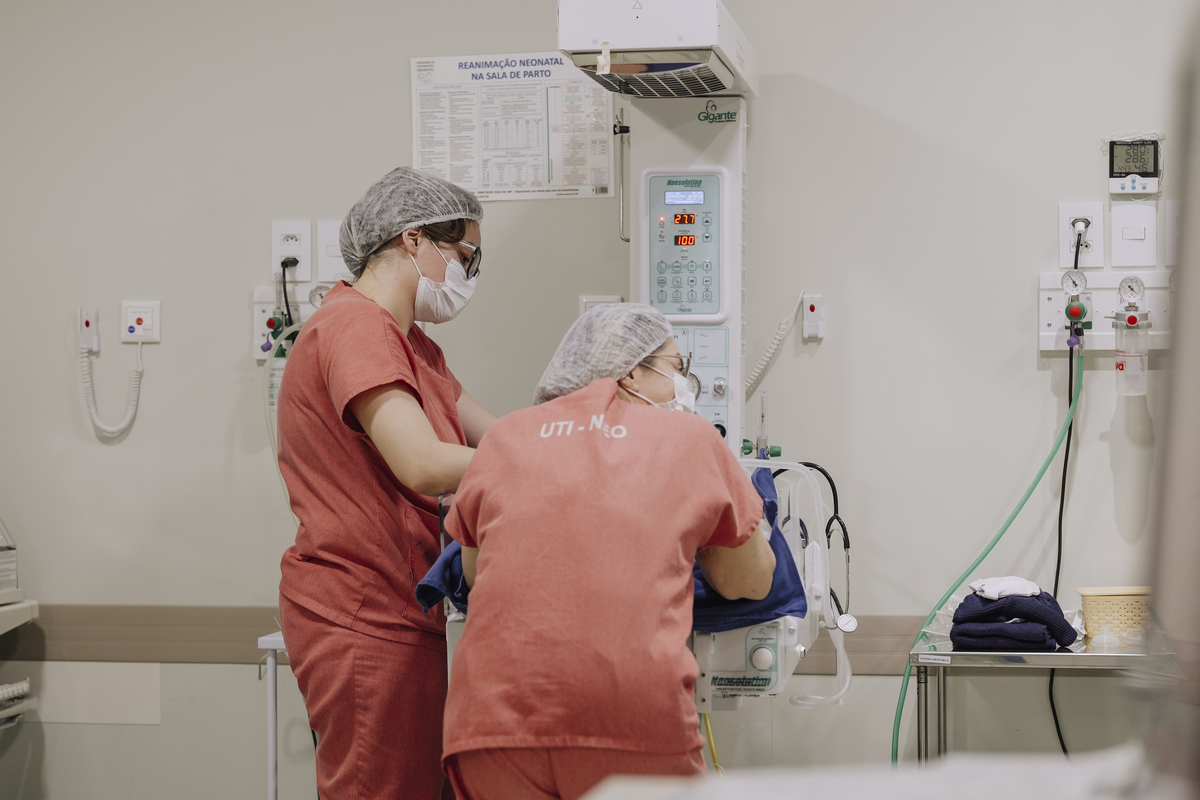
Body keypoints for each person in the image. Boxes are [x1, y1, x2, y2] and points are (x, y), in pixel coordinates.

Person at [440, 303, 777, 800]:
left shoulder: (505, 437)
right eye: (677, 367)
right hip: (630, 726)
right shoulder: (688, 438)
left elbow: (473, 574)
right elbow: (748, 580)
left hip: (490, 731)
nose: (684, 386)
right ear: (632, 371)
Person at [276, 167, 497, 800]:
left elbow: (494, 435)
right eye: (466, 256)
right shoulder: (356, 326)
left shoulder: (412, 344)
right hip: (364, 610)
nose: (468, 275)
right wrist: (543, 464)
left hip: (403, 606)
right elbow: (423, 463)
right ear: (413, 238)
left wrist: (580, 437)